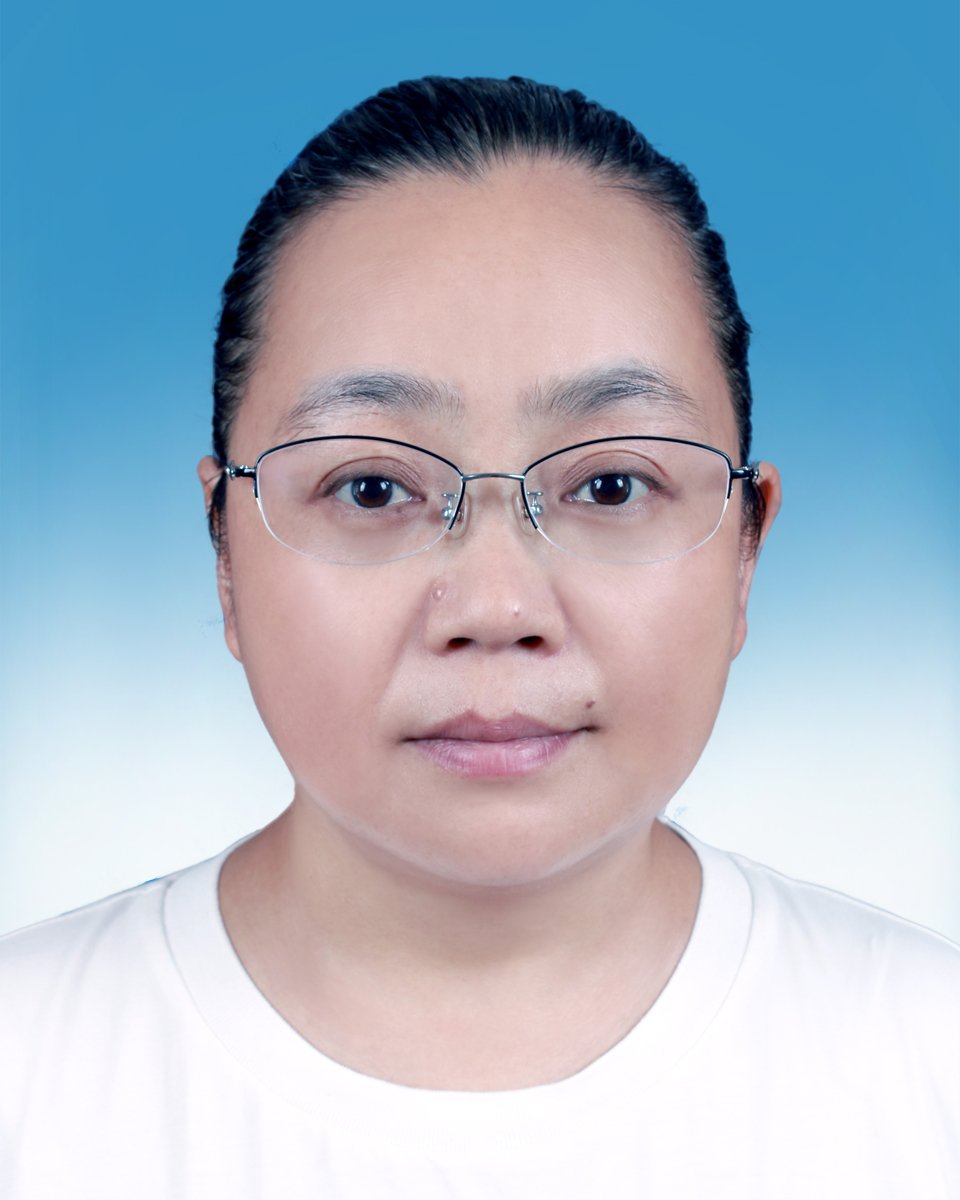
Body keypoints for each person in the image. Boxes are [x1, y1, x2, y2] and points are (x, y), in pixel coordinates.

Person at [1, 76, 957, 1200]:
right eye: (370, 488)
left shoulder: (927, 1065)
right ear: (224, 550)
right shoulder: (29, 1069)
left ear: (746, 549)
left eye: (610, 484)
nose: (497, 609)